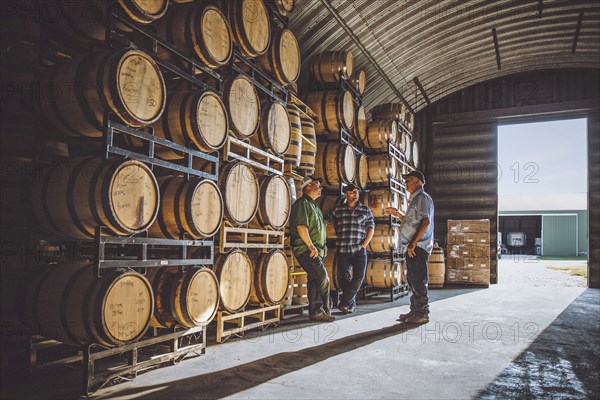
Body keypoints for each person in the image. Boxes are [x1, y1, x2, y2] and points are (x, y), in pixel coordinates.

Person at [386, 170, 434, 325]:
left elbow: (425, 222)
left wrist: (413, 242)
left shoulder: (422, 198)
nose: (406, 182)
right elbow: (412, 222)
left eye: (409, 180)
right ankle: (415, 310)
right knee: (412, 280)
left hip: (418, 247)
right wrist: (399, 214)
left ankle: (422, 313)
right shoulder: (414, 200)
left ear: (419, 181)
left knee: (419, 280)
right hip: (413, 246)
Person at [290, 176, 335, 322]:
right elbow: (301, 227)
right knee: (323, 277)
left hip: (316, 251)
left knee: (315, 280)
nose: (320, 188)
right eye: (317, 185)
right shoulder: (302, 203)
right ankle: (324, 308)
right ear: (307, 187)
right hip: (306, 250)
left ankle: (315, 312)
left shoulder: (314, 206)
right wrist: (311, 246)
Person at [327, 184, 374, 314]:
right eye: (352, 192)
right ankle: (350, 304)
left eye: (356, 192)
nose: (355, 194)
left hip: (359, 249)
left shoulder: (365, 210)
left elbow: (371, 228)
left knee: (359, 277)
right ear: (346, 194)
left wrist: (364, 245)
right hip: (343, 249)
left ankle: (344, 302)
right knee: (343, 277)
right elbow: (329, 219)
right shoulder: (339, 209)